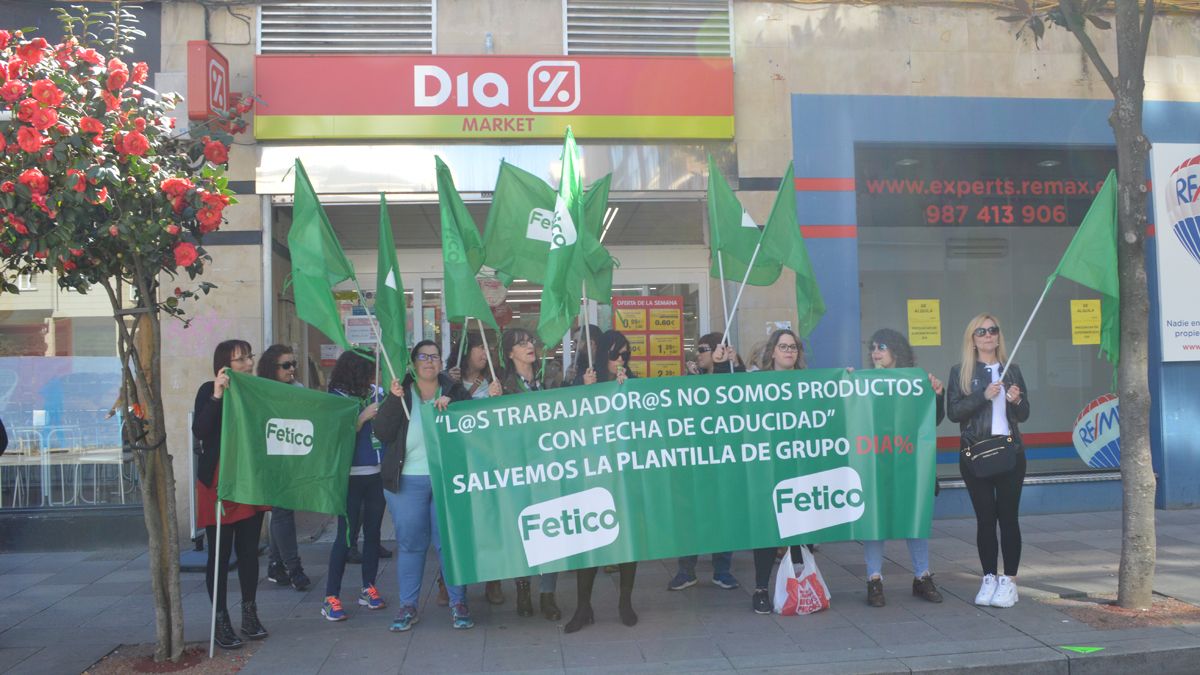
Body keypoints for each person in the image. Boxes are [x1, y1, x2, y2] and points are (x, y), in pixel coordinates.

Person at [374, 340, 500, 632]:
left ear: (441, 363)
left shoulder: (454, 390)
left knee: (449, 543)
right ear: (413, 363)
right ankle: (408, 606)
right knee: (411, 544)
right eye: (423, 356)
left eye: (434, 357)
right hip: (407, 481)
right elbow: (382, 431)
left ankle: (459, 602)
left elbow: (478, 425)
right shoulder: (400, 391)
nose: (429, 361)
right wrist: (393, 399)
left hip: (447, 479)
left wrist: (456, 407)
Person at [947, 314, 1030, 609]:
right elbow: (954, 413)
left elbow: (1024, 415)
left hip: (1010, 454)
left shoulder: (1012, 370)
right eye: (981, 331)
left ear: (998, 336)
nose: (988, 335)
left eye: (993, 330)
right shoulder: (960, 372)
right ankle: (988, 577)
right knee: (985, 519)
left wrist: (1016, 399)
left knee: (1008, 518)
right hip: (976, 455)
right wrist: (983, 395)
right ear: (972, 338)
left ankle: (1009, 580)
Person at [192, 340, 270, 649]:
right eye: (240, 359)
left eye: (248, 357)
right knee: (220, 553)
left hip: (250, 478)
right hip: (220, 480)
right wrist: (217, 394)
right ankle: (220, 619)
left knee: (249, 550)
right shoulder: (208, 391)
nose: (248, 362)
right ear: (224, 363)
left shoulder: (256, 389)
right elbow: (201, 430)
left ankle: (249, 614)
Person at [861, 329, 945, 607]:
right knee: (875, 522)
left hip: (909, 462)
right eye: (872, 347)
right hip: (877, 463)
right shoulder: (864, 382)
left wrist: (937, 394)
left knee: (915, 518)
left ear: (896, 350)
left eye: (881, 346)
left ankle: (922, 576)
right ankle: (874, 579)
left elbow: (934, 420)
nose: (875, 351)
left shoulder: (917, 380)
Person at [564, 329, 639, 633]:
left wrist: (628, 391)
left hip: (624, 474)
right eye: (616, 354)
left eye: (626, 355)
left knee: (627, 542)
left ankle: (625, 602)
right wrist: (582, 390)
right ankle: (583, 607)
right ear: (602, 355)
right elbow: (561, 419)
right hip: (591, 474)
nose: (622, 359)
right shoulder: (583, 379)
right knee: (590, 540)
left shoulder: (632, 382)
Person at [497, 327, 562, 620]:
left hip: (550, 464)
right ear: (510, 353)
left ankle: (548, 594)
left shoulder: (552, 376)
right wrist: (490, 399)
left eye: (530, 342)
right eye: (520, 344)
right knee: (522, 530)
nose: (528, 347)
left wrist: (585, 385)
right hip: (518, 468)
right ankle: (523, 589)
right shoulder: (502, 384)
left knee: (551, 529)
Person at [670, 331, 742, 592]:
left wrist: (731, 366)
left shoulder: (733, 375)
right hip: (695, 460)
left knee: (723, 514)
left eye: (703, 349)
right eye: (697, 349)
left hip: (723, 460)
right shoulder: (694, 380)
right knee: (691, 515)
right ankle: (685, 570)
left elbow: (737, 401)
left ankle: (722, 570)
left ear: (717, 350)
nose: (697, 354)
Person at [321, 350, 388, 621]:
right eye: (370, 370)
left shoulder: (376, 393)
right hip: (349, 476)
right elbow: (333, 436)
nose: (374, 375)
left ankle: (368, 587)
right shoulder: (336, 399)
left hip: (376, 472)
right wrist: (361, 418)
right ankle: (330, 596)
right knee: (346, 536)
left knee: (373, 533)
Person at [438, 331, 502, 607]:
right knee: (458, 524)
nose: (483, 352)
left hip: (488, 460)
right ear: (465, 351)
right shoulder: (445, 380)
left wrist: (499, 397)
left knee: (490, 521)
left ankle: (493, 580)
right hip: (459, 462)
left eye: (486, 347)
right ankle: (449, 580)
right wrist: (450, 388)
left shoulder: (496, 380)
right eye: (478, 347)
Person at [749, 328, 809, 614]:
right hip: (766, 468)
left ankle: (801, 584)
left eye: (793, 347)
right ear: (772, 351)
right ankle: (761, 588)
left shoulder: (809, 383)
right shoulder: (756, 382)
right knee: (766, 530)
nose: (789, 351)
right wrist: (724, 365)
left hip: (798, 467)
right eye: (784, 346)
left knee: (799, 527)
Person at [256, 344, 311, 592]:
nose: (292, 369)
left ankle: (276, 565)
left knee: (282, 512)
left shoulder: (298, 389)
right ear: (272, 367)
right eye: (286, 365)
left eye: (294, 364)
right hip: (270, 460)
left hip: (291, 457)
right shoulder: (259, 392)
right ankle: (294, 567)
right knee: (282, 512)